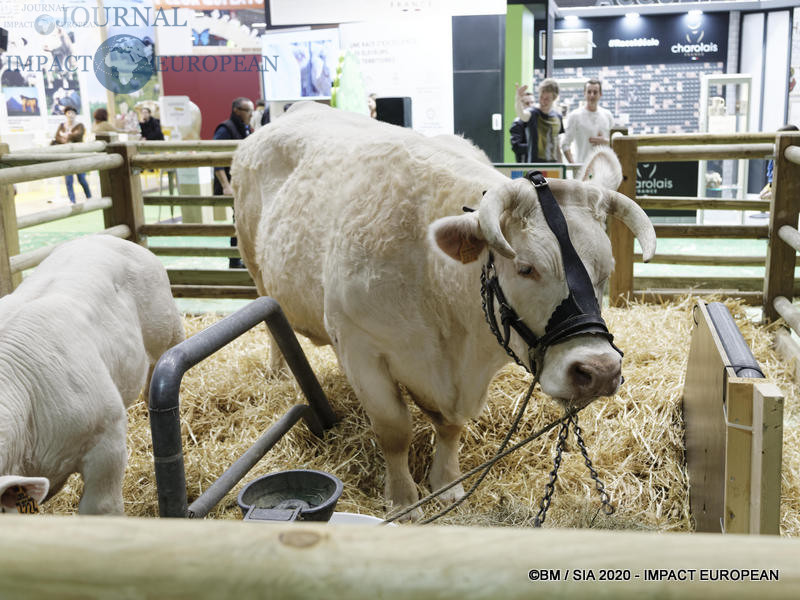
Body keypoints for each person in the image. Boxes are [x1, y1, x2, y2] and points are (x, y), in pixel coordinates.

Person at [213, 97, 254, 268]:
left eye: (252, 111)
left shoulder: (246, 129)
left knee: (243, 219)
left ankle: (242, 259)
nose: (251, 115)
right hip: (231, 184)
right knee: (238, 220)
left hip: (244, 184)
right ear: (237, 110)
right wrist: (225, 185)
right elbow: (216, 157)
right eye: (247, 111)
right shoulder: (225, 129)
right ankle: (234, 260)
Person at [561, 78, 616, 164]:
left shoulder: (607, 115)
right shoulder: (575, 116)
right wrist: (574, 166)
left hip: (604, 168)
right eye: (589, 92)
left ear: (600, 94)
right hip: (582, 168)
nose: (592, 95)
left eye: (595, 92)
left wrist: (605, 141)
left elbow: (615, 142)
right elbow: (565, 144)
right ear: (584, 94)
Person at [514, 78, 564, 163]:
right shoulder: (532, 113)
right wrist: (518, 98)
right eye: (541, 97)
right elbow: (522, 115)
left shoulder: (558, 117)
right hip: (535, 165)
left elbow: (557, 144)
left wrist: (561, 164)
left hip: (553, 165)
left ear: (554, 98)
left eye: (547, 99)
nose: (542, 101)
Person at [51, 105, 91, 204]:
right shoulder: (62, 125)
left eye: (72, 113)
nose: (70, 115)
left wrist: (66, 136)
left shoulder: (80, 125)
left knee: (81, 179)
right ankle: (72, 201)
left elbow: (78, 135)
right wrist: (66, 139)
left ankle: (89, 196)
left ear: (76, 114)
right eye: (68, 113)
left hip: (77, 156)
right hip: (66, 156)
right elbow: (57, 137)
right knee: (68, 180)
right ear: (65, 114)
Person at [760, 124, 799, 200]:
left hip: (785, 187)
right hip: (773, 184)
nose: (776, 143)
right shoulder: (776, 151)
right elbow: (770, 172)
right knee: (761, 197)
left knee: (766, 199)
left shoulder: (794, 154)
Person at [509, 90, 534, 162]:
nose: (531, 105)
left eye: (532, 102)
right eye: (527, 103)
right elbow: (516, 146)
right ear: (521, 105)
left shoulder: (535, 120)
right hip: (524, 166)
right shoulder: (517, 123)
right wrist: (536, 147)